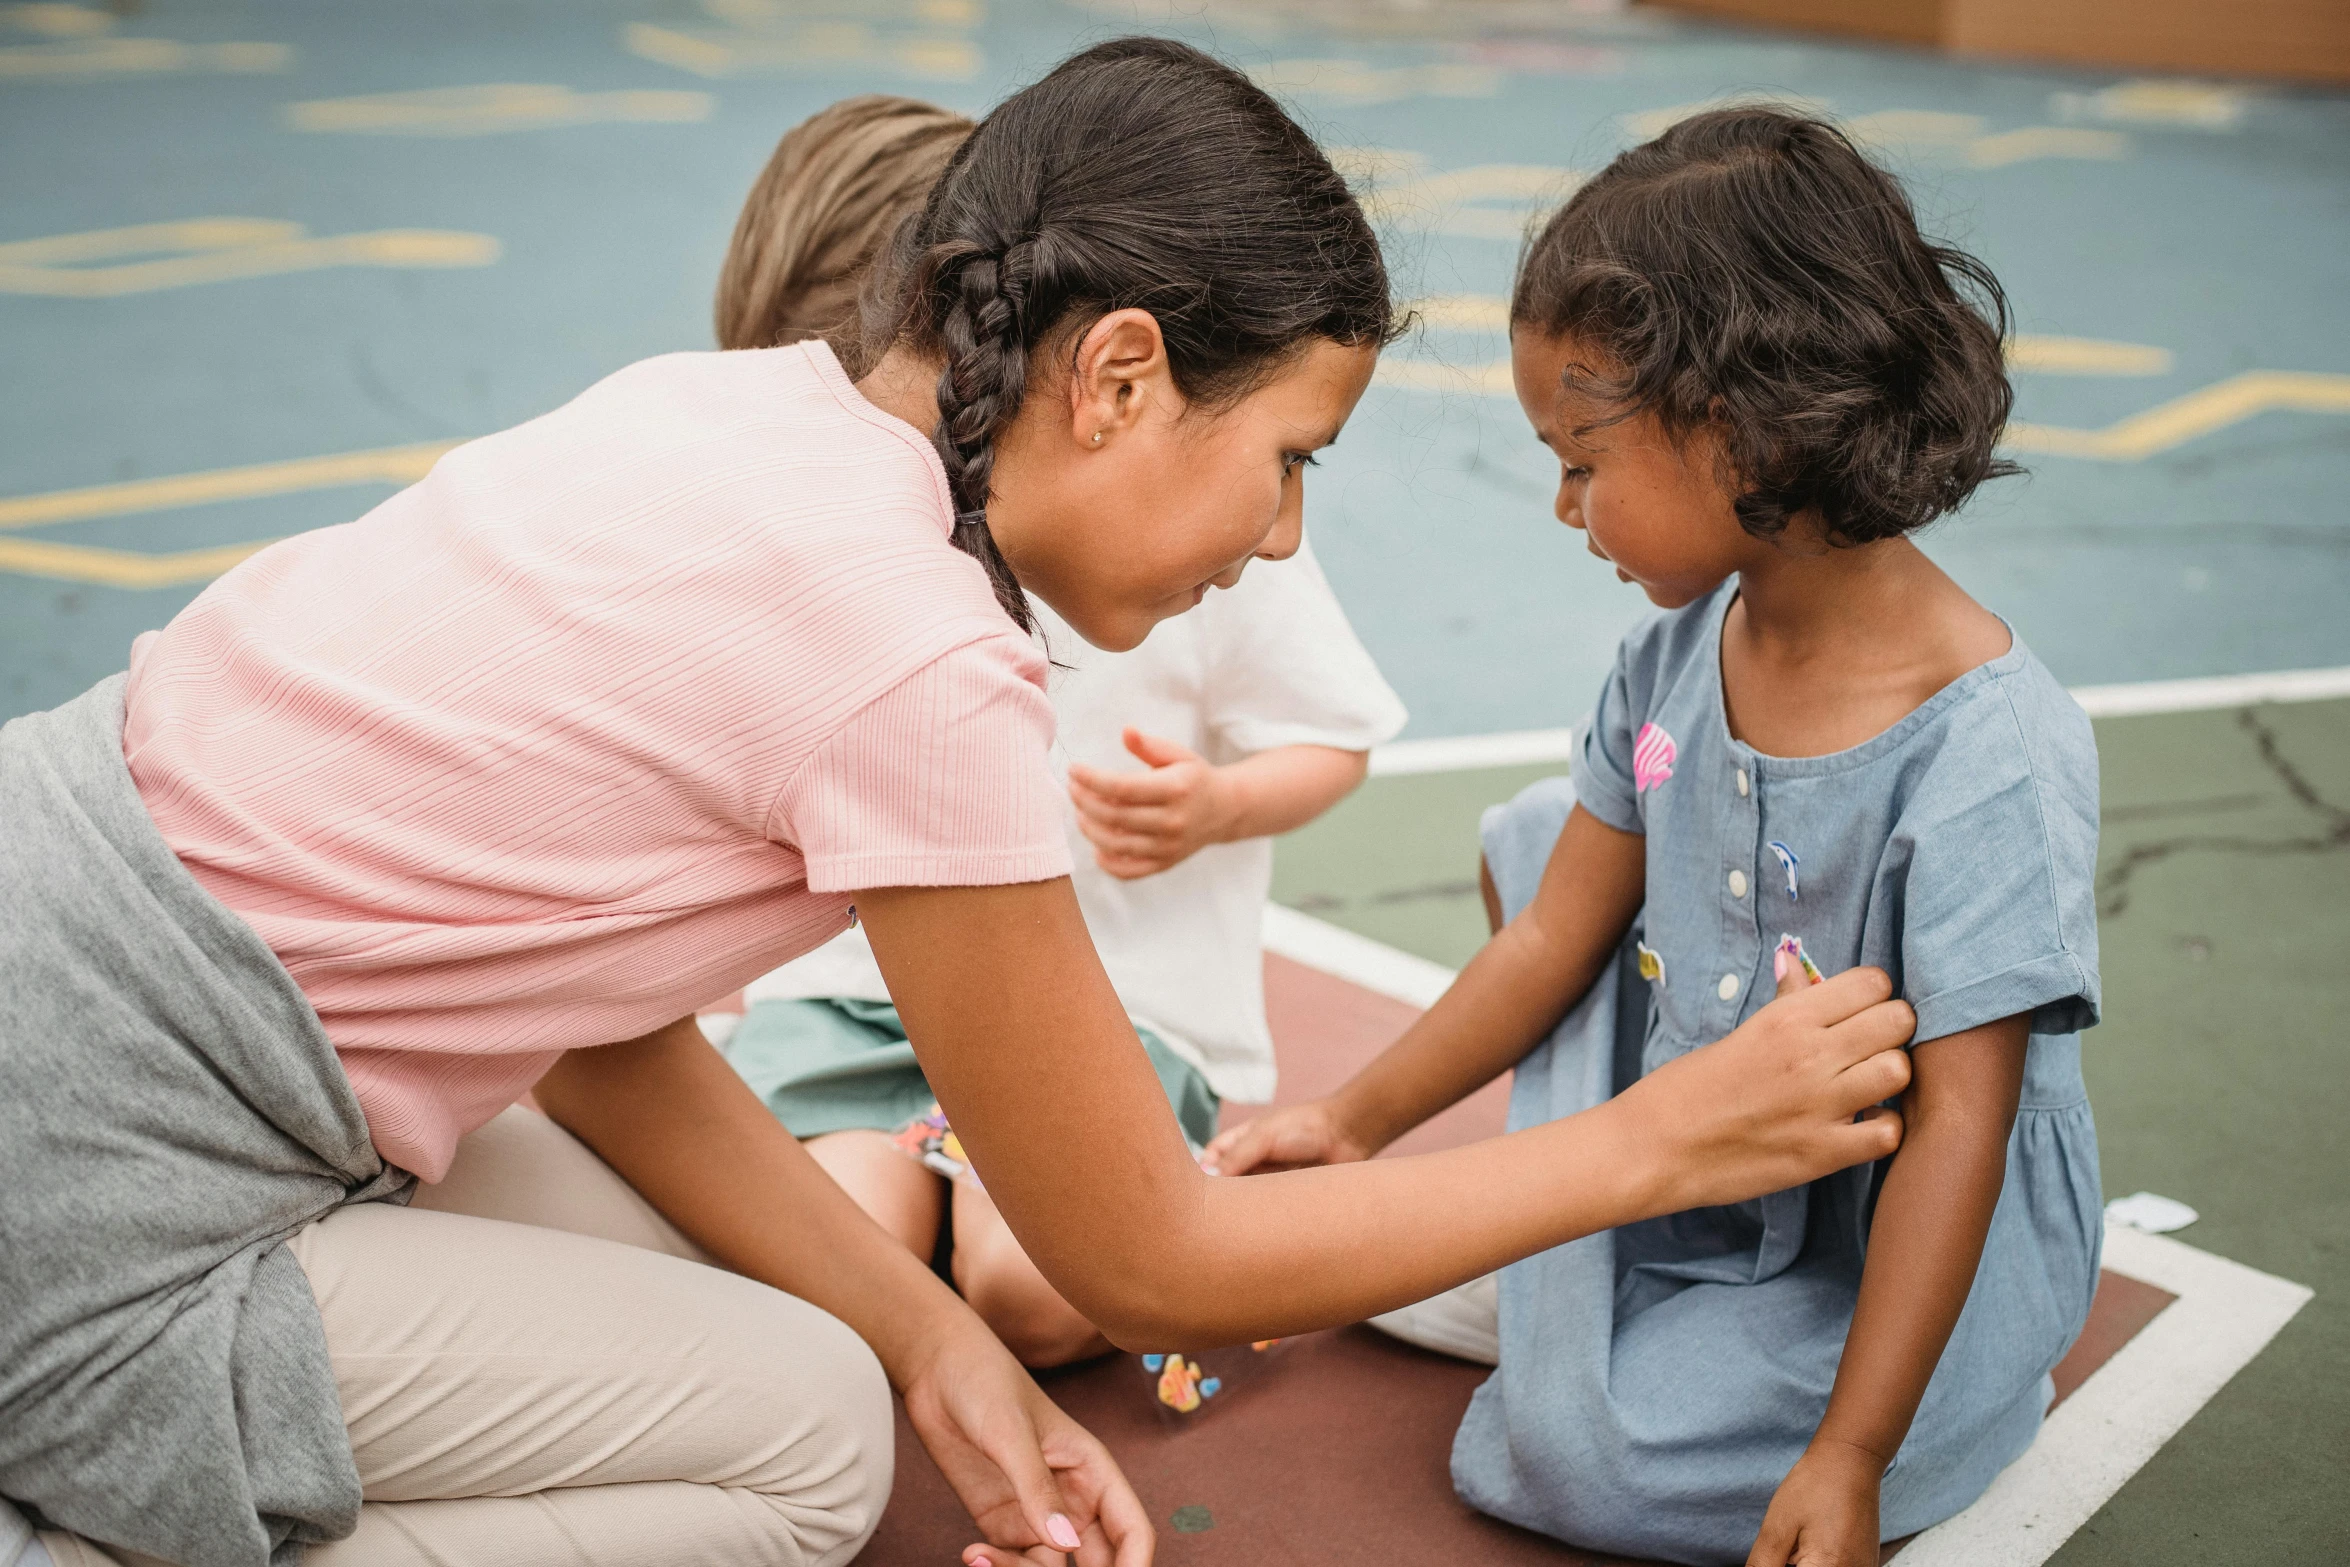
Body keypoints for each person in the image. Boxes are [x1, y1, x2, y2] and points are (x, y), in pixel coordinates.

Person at [0, 45, 1917, 1567]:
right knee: (807, 1452)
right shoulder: (919, 665)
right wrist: (1667, 1138)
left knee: (772, 1302)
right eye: (1283, 460)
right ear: (1119, 375)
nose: (1275, 538)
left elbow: (592, 1036)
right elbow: (1150, 1261)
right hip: (97, 1199)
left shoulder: (725, 408)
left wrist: (936, 1342)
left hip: (66, 997)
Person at [1208, 108, 2103, 1567]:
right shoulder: (1674, 653)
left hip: (1869, 1242)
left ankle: (1963, 1390)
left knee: (1574, 1456)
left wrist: (1852, 1452)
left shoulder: (1985, 749)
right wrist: (1352, 1126)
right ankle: (1592, 1289)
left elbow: (1958, 1125)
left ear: (1740, 421)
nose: (1563, 505)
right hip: (1694, 1165)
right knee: (1541, 864)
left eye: (1580, 456)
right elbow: (1556, 935)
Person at [703, 94, 1407, 1369]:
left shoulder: (1207, 533)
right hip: (860, 1009)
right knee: (830, 1270)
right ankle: (942, 1220)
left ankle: (997, 1223)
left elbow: (1331, 732)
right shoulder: (860, 575)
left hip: (1108, 1004)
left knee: (1025, 1285)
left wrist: (1220, 806)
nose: (1284, 525)